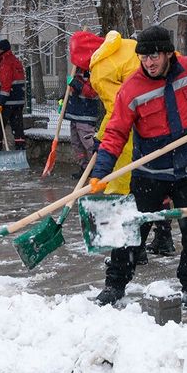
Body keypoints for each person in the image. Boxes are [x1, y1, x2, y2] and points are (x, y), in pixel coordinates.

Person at [86, 25, 187, 308]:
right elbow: (115, 132)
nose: (149, 63)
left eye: (154, 56)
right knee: (133, 229)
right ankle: (115, 284)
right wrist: (101, 172)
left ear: (168, 53)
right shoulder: (132, 88)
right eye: (143, 57)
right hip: (150, 172)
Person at [70, 29, 174, 261]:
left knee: (122, 185)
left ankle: (131, 251)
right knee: (157, 181)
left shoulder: (99, 71)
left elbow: (119, 108)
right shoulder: (124, 45)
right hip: (163, 116)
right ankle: (163, 238)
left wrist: (102, 138)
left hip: (137, 126)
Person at [0, 39, 26, 153]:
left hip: (7, 102)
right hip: (18, 101)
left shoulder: (5, 62)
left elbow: (5, 84)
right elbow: (8, 79)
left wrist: (0, 103)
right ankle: (20, 151)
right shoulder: (15, 60)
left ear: (2, 49)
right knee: (18, 128)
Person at [64, 68, 100, 179]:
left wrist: (76, 83)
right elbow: (72, 91)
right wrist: (64, 98)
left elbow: (92, 92)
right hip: (74, 114)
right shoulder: (75, 70)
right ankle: (85, 168)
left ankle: (97, 168)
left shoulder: (93, 72)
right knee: (76, 144)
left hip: (86, 116)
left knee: (89, 144)